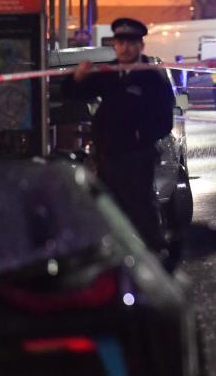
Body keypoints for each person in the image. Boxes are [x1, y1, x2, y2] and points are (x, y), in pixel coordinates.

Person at [63, 17, 175, 254]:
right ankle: (114, 256)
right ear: (114, 45)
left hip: (138, 157)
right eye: (121, 42)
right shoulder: (108, 73)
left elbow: (165, 120)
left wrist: (140, 137)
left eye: (131, 43)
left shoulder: (152, 78)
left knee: (141, 208)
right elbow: (74, 94)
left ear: (141, 46)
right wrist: (78, 77)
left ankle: (153, 256)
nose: (125, 48)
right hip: (108, 155)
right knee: (109, 208)